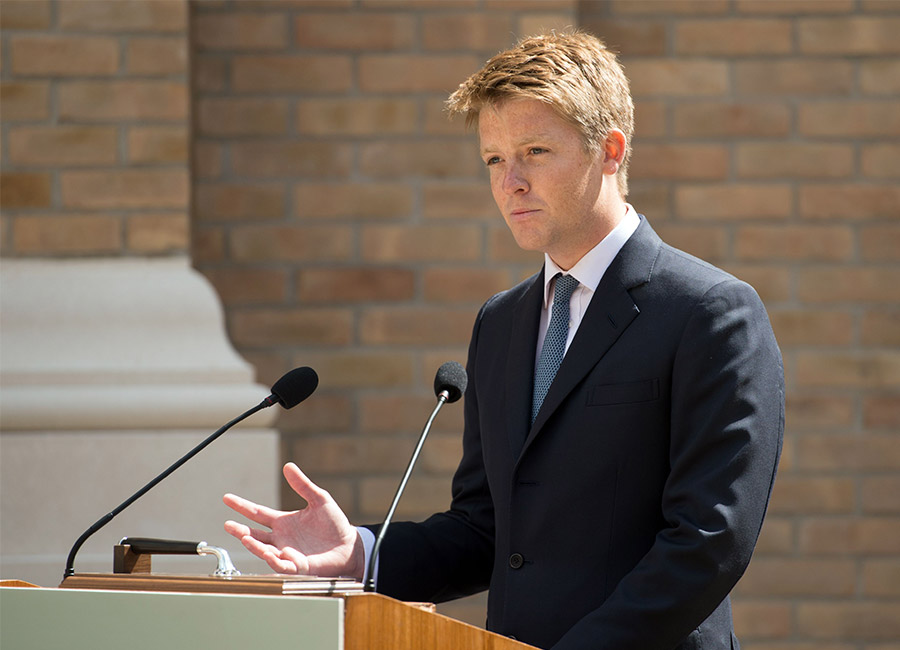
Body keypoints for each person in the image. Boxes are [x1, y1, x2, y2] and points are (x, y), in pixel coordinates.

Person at [223, 31, 784, 650]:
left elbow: (708, 543)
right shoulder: (501, 322)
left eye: (534, 151)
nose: (509, 181)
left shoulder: (710, 312)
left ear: (610, 151)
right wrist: (361, 552)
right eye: (493, 159)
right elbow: (485, 530)